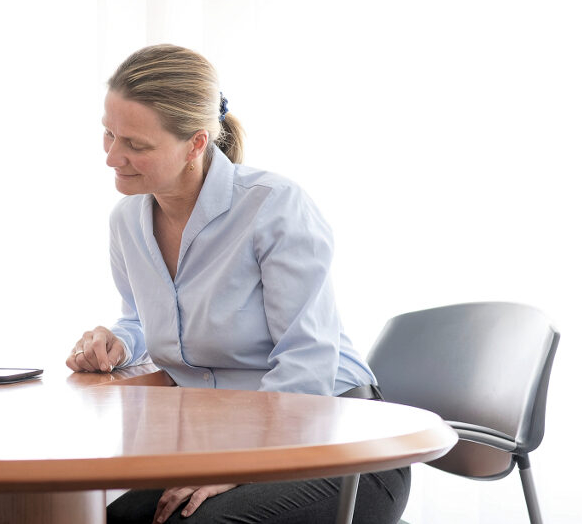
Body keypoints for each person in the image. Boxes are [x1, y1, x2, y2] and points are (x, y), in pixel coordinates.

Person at [65, 44, 407, 524]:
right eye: (108, 134)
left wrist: (245, 465)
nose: (112, 157)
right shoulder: (128, 221)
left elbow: (307, 363)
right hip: (222, 438)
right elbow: (142, 319)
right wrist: (118, 343)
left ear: (196, 144)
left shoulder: (274, 206)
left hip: (338, 440)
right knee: (112, 518)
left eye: (137, 145)